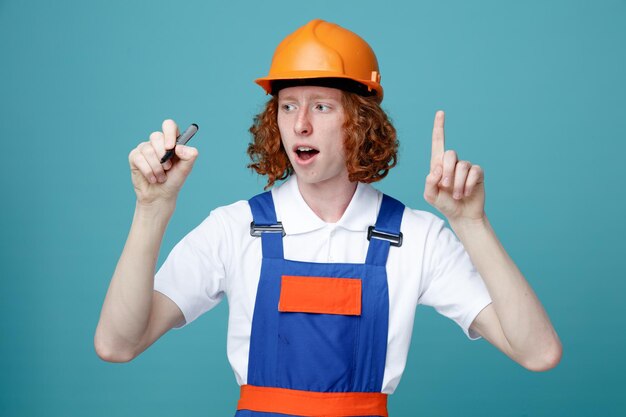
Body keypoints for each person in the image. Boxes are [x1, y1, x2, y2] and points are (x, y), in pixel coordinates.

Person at [95, 19, 562, 417]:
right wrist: (151, 211)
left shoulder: (415, 236)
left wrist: (471, 224)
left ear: (360, 122)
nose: (300, 124)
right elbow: (118, 344)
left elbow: (538, 352)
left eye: (321, 105)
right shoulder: (234, 229)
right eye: (288, 105)